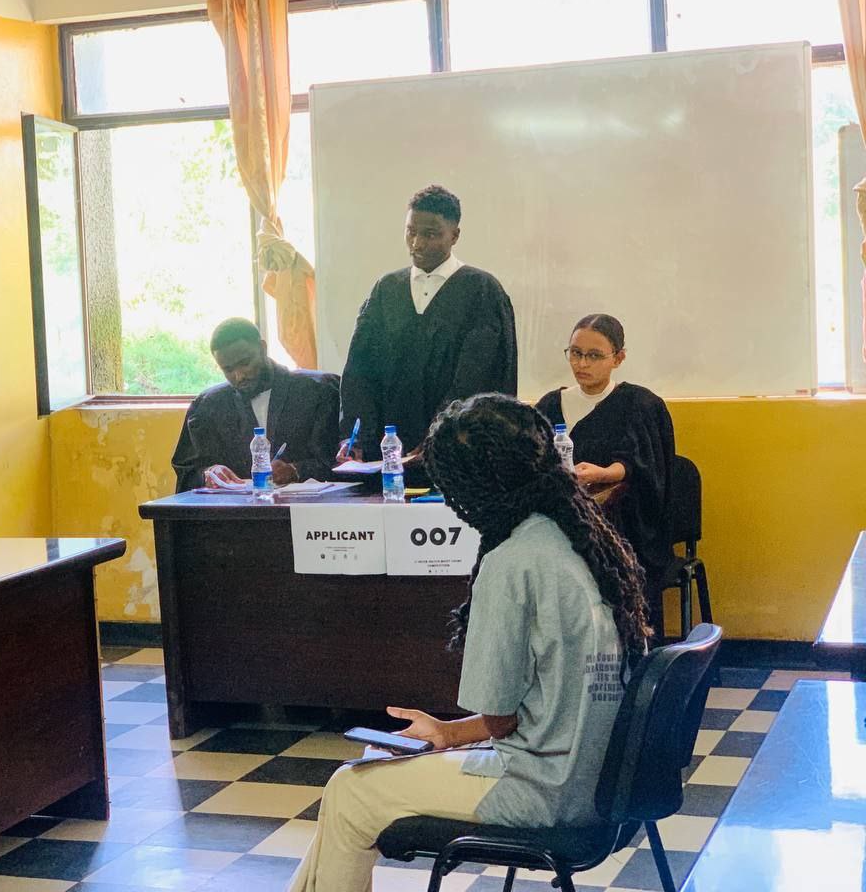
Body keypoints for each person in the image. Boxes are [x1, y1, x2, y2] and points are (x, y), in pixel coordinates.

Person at [288, 393, 650, 892]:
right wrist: (449, 734)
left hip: (544, 791)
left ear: (471, 489)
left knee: (351, 790)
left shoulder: (511, 561)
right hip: (602, 782)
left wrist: (457, 736)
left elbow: (501, 720)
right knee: (353, 785)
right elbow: (535, 708)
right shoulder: (582, 537)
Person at [338, 185, 517, 467]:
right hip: (387, 455)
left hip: (457, 455)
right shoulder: (387, 290)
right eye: (411, 232)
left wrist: (439, 437)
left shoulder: (481, 291)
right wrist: (357, 438)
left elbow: (477, 378)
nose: (417, 243)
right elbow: (359, 370)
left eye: (430, 234)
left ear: (454, 235)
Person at [535, 314, 675, 634]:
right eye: (575, 353)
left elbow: (645, 464)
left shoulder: (639, 404)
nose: (582, 363)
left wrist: (605, 474)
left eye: (594, 355)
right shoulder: (550, 404)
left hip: (623, 523)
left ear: (618, 358)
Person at [172, 318, 340, 493]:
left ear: (262, 348)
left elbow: (342, 460)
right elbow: (187, 471)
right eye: (228, 370)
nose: (239, 376)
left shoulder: (318, 391)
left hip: (307, 507)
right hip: (236, 508)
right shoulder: (209, 406)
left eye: (245, 363)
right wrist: (209, 473)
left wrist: (296, 470)